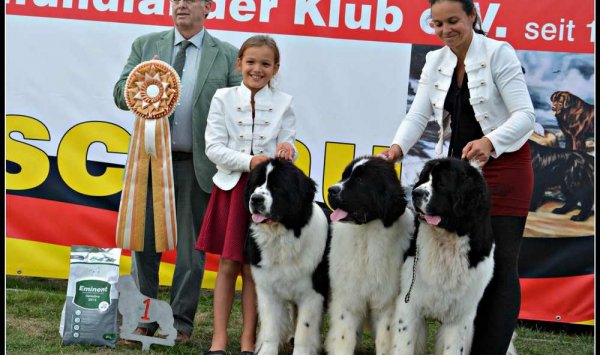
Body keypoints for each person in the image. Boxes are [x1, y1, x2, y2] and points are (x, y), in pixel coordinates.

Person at [380, 0, 534, 354]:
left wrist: (490, 141)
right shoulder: (436, 60)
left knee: (499, 265)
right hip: (458, 173)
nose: (445, 30)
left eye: (453, 21)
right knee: (462, 267)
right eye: (437, 24)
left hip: (504, 166)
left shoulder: (499, 52)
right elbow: (418, 115)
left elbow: (525, 115)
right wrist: (395, 150)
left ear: (472, 17)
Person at [113, 0, 241, 343]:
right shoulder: (146, 45)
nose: (181, 4)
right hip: (150, 162)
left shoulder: (227, 54)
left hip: (196, 166)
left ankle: (181, 323)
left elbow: (239, 108)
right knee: (143, 245)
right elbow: (119, 95)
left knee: (190, 251)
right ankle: (144, 319)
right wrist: (142, 83)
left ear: (209, 7)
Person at [196, 35, 296, 355]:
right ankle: (219, 339)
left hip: (264, 193)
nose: (257, 69)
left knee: (254, 268)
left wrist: (286, 150)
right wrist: (248, 161)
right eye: (250, 62)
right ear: (239, 63)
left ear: (275, 68)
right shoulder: (222, 98)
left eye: (265, 63)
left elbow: (288, 142)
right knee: (227, 264)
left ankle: (248, 340)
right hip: (231, 189)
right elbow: (214, 148)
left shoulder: (285, 103)